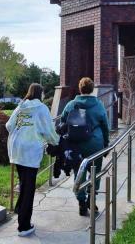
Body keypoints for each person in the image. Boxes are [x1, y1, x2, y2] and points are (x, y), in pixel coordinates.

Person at [6, 83, 59, 237]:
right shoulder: (41, 108)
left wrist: (22, 131)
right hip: (30, 151)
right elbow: (48, 130)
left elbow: (9, 125)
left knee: (24, 183)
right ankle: (23, 226)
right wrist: (56, 141)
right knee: (29, 188)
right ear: (40, 93)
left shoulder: (21, 106)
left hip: (16, 149)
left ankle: (19, 209)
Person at [60, 77, 110, 216]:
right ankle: (91, 200)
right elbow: (105, 126)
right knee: (95, 172)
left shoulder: (71, 104)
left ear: (80, 88)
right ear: (92, 89)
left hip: (76, 144)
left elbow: (62, 122)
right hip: (96, 144)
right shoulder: (99, 105)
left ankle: (81, 202)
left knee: (79, 172)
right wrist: (106, 144)